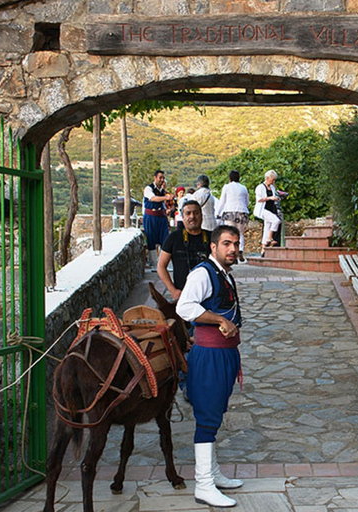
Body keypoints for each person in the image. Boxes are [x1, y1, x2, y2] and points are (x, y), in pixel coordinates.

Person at [176, 225, 244, 508]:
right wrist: (218, 320)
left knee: (215, 414)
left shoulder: (224, 274)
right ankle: (203, 484)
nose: (233, 249)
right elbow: (184, 307)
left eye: (236, 244)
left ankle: (213, 473)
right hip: (209, 356)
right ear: (213, 247)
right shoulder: (203, 273)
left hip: (225, 355)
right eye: (227, 243)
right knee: (206, 417)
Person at [157, 200, 211, 301]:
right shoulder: (173, 238)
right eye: (188, 213)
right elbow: (161, 266)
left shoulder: (212, 238)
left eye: (196, 213)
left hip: (208, 294)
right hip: (183, 295)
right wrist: (173, 290)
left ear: (202, 216)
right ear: (182, 217)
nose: (192, 216)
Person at [216, 170, 250, 262]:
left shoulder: (226, 187)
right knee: (240, 233)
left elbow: (222, 201)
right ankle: (240, 251)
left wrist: (218, 212)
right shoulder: (243, 188)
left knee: (230, 234)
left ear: (229, 178)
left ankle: (232, 253)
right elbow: (247, 202)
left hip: (230, 212)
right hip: (242, 212)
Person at [143, 170, 173, 269]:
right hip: (151, 217)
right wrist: (166, 197)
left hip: (161, 217)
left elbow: (163, 204)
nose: (161, 180)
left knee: (165, 239)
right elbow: (153, 198)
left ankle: (164, 264)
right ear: (154, 178)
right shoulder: (148, 188)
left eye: (163, 178)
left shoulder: (163, 191)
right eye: (160, 178)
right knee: (151, 239)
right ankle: (154, 264)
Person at [253, 170, 281, 256]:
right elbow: (259, 199)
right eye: (272, 180)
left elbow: (274, 196)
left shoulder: (272, 187)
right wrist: (270, 198)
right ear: (267, 178)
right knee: (276, 221)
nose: (273, 182)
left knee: (267, 228)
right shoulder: (260, 187)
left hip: (270, 209)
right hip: (263, 210)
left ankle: (263, 248)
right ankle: (269, 238)